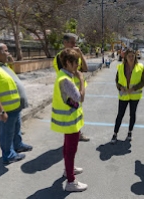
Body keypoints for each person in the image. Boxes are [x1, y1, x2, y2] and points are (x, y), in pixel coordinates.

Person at [51, 48, 88, 192]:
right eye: (75, 63)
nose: (78, 66)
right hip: (69, 121)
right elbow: (80, 98)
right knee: (71, 150)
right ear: (67, 62)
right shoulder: (66, 79)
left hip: (69, 119)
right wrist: (82, 80)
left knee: (67, 147)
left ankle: (69, 170)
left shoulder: (63, 75)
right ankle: (71, 181)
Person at [53, 33, 90, 142]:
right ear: (65, 43)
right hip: (69, 91)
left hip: (78, 90)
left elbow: (85, 68)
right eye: (72, 42)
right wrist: (80, 76)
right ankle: (72, 135)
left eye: (75, 42)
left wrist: (80, 54)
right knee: (70, 114)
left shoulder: (75, 55)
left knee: (77, 114)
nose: (74, 45)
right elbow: (70, 73)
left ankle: (77, 133)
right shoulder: (61, 57)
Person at [111, 48, 144, 144]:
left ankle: (130, 132)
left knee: (132, 114)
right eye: (129, 56)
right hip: (124, 95)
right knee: (120, 115)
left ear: (135, 56)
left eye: (132, 56)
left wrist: (134, 88)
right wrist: (120, 87)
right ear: (125, 57)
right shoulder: (120, 67)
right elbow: (117, 80)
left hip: (135, 96)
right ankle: (115, 133)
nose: (131, 58)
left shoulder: (140, 67)